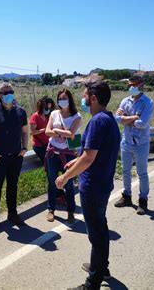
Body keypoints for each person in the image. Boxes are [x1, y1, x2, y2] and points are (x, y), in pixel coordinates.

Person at [56, 81, 120, 290]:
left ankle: (92, 283)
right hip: (103, 184)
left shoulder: (97, 122)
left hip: (93, 186)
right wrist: (76, 161)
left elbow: (88, 158)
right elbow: (90, 154)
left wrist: (66, 177)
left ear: (93, 98)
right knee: (100, 228)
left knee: (96, 233)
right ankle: (101, 267)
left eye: (85, 96)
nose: (82, 100)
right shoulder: (108, 119)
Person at [0, 82, 29, 229]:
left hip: (16, 156)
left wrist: (24, 148)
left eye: (11, 91)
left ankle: (12, 214)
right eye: (5, 92)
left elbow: (24, 132)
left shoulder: (21, 112)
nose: (9, 94)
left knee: (12, 186)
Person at [114, 75, 154, 215]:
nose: (132, 87)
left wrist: (126, 118)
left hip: (141, 143)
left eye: (134, 85)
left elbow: (142, 124)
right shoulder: (125, 101)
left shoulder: (148, 102)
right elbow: (117, 118)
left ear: (141, 85)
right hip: (126, 141)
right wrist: (133, 117)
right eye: (130, 85)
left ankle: (143, 200)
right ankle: (127, 196)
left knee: (142, 173)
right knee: (125, 171)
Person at [45, 89, 82, 223]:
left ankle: (70, 211)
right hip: (53, 153)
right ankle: (51, 209)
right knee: (52, 182)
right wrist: (62, 132)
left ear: (70, 99)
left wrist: (57, 131)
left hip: (69, 154)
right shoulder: (54, 114)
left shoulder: (76, 116)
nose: (62, 100)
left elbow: (72, 135)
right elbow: (48, 132)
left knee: (69, 183)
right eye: (60, 98)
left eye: (65, 98)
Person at [29, 96, 52, 163]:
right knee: (47, 163)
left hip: (48, 143)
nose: (48, 110)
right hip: (39, 145)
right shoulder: (35, 116)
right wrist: (44, 130)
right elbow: (32, 132)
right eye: (47, 108)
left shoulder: (48, 116)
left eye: (49, 108)